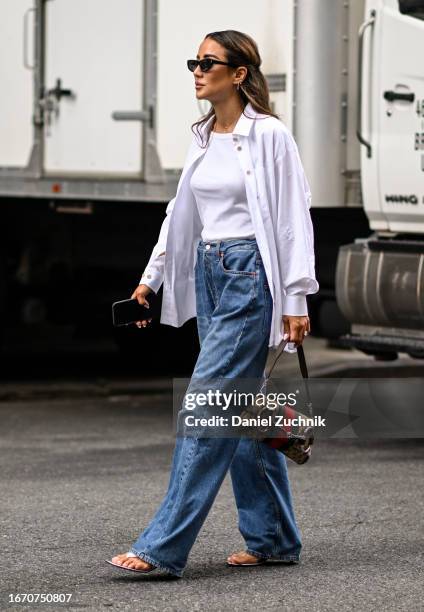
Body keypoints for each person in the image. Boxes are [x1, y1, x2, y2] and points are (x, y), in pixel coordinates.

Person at [107, 29, 319, 578]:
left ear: (239, 73)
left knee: (206, 404)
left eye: (209, 62)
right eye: (194, 63)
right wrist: (151, 279)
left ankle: (162, 546)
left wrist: (296, 297)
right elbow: (181, 212)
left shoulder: (270, 136)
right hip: (210, 272)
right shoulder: (203, 136)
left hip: (251, 276)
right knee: (238, 407)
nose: (198, 71)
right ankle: (272, 538)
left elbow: (295, 218)